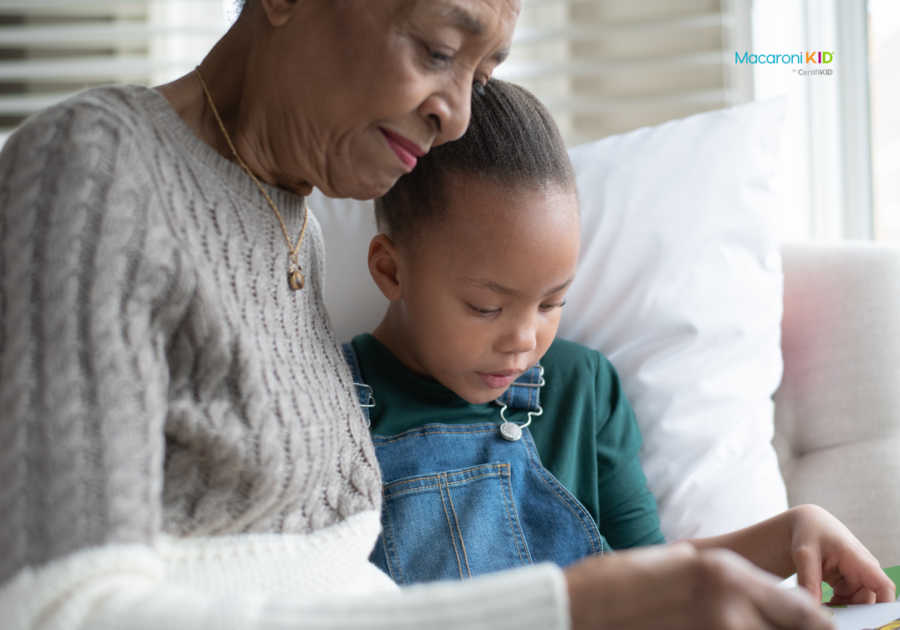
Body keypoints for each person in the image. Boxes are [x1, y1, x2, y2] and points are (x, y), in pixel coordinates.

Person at [0, 0, 863, 627]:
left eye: (481, 74)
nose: (453, 116)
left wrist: (749, 549)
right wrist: (568, 606)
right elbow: (61, 609)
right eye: (437, 48)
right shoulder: (95, 168)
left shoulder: (289, 217)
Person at [347, 79, 897, 598]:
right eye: (485, 307)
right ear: (392, 272)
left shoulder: (583, 387)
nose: (522, 340)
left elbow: (652, 577)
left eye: (551, 303)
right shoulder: (331, 401)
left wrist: (792, 530)